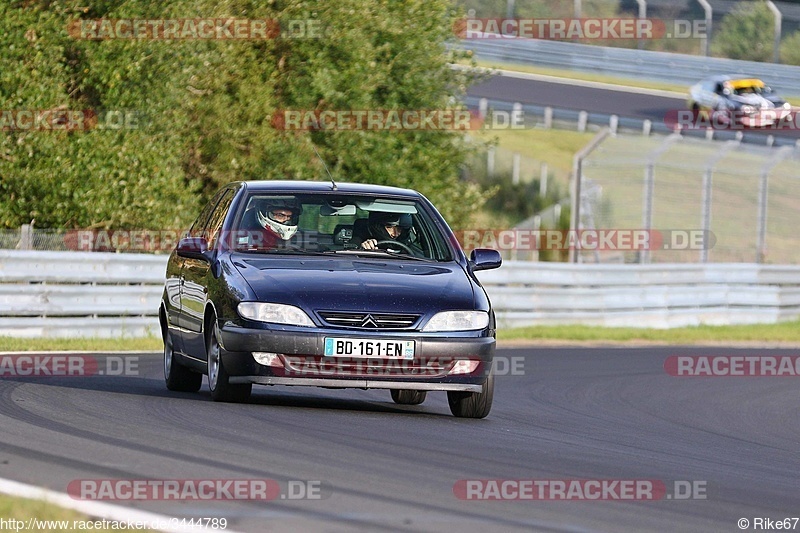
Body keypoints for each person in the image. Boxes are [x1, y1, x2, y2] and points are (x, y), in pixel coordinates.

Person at [356, 211, 421, 255]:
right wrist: (365, 248)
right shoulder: (358, 242)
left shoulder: (411, 248)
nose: (395, 234)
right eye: (389, 227)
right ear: (378, 227)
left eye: (399, 229)